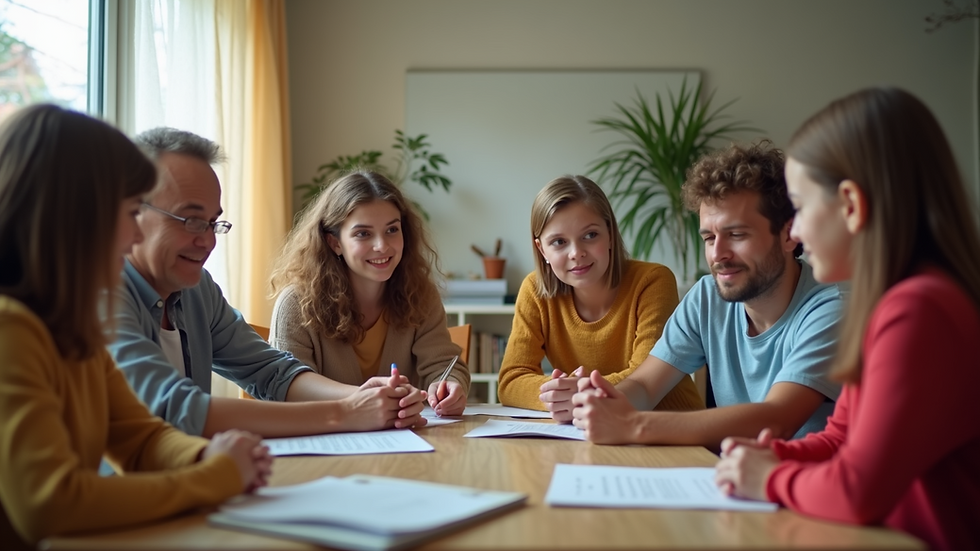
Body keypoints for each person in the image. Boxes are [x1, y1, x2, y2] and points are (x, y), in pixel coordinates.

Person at [715, 88, 980, 551]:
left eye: (799, 207)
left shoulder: (920, 310)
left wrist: (772, 478)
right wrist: (771, 454)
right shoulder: (892, 302)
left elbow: (856, 490)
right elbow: (841, 436)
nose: (793, 231)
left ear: (852, 205)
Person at [0, 105, 271, 550]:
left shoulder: (72, 328)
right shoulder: (11, 329)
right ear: (75, 215)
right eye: (128, 213)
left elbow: (140, 438)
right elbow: (50, 503)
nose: (133, 237)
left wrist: (207, 455)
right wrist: (213, 476)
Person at [108, 128, 426, 438]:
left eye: (212, 223)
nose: (207, 241)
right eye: (191, 221)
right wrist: (345, 412)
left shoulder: (197, 289)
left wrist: (361, 397)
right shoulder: (100, 294)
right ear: (133, 211)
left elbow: (271, 372)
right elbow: (176, 409)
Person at [570, 141, 845, 450]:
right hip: (733, 482)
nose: (717, 255)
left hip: (799, 490)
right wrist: (607, 399)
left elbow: (776, 419)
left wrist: (632, 425)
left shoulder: (830, 310)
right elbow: (646, 385)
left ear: (787, 234)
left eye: (737, 235)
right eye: (709, 237)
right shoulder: (707, 297)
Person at [497, 175, 703, 419]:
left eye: (590, 235)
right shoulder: (534, 290)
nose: (576, 253)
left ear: (610, 234)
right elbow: (511, 380)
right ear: (542, 250)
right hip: (589, 431)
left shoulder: (653, 281)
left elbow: (645, 375)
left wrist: (580, 394)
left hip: (667, 431)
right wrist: (560, 398)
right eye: (559, 242)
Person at [269, 171, 469, 416]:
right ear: (335, 243)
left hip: (407, 445)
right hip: (326, 444)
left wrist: (449, 384)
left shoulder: (420, 295)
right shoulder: (296, 304)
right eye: (363, 233)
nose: (382, 246)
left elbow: (443, 364)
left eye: (392, 230)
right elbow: (288, 387)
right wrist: (363, 399)